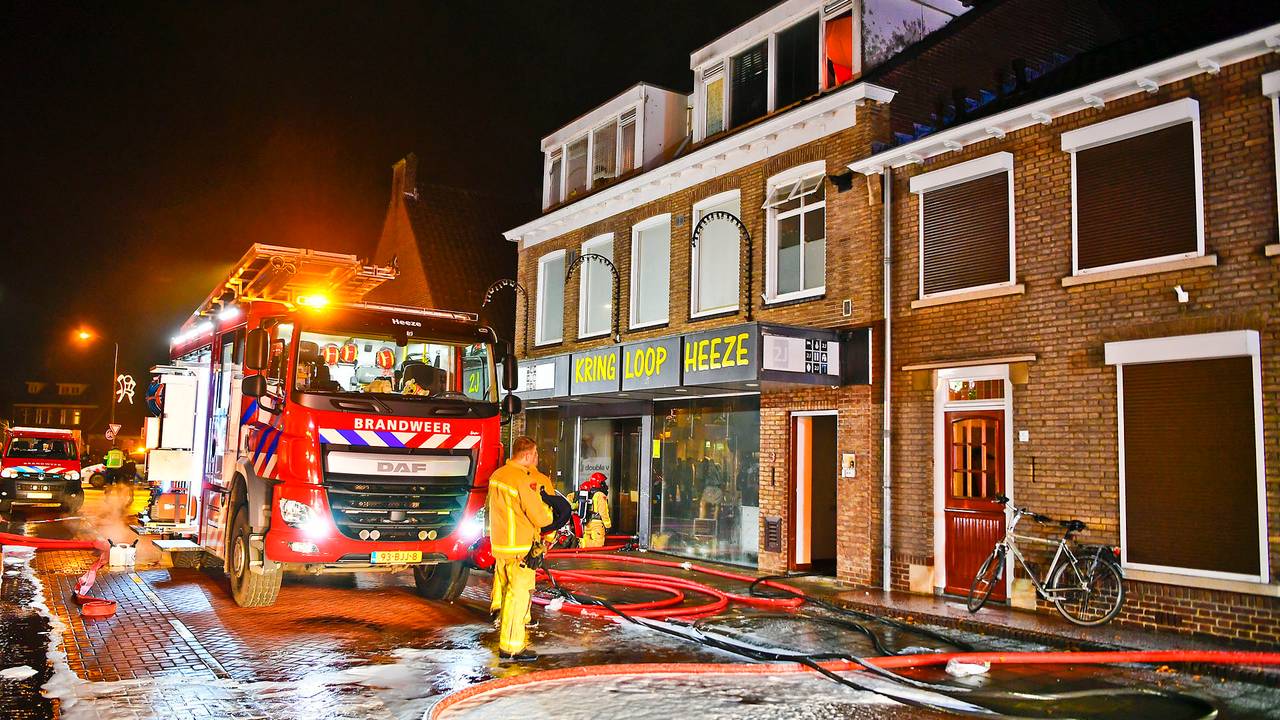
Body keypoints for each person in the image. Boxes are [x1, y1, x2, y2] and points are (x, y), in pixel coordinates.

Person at [485, 436, 553, 663]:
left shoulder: (498, 476)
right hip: (521, 548)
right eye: (534, 454)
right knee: (518, 598)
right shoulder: (521, 480)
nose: (536, 459)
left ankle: (506, 638)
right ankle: (512, 647)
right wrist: (553, 517)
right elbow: (540, 517)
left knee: (505, 593)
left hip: (501, 546)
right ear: (527, 455)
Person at [577, 472, 611, 548]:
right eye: (603, 483)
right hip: (597, 524)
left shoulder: (589, 493)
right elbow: (603, 512)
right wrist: (608, 525)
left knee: (587, 544)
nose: (605, 485)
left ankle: (579, 543)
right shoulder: (600, 495)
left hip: (587, 523)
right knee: (598, 544)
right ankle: (578, 543)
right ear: (599, 483)